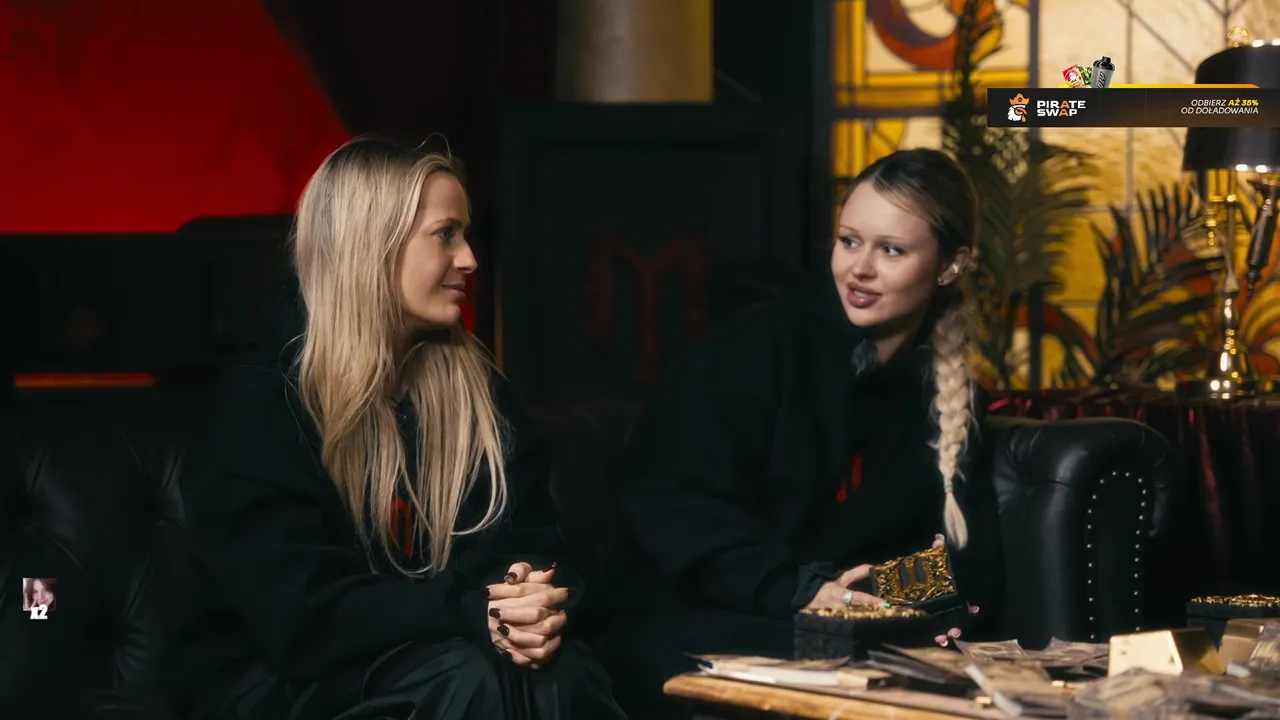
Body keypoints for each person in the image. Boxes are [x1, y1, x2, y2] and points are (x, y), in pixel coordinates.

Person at [169, 137, 625, 720]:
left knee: (556, 670)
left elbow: (536, 545)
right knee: (467, 676)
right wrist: (476, 609)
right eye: (445, 234)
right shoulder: (260, 403)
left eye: (466, 234)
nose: (470, 260)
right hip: (276, 684)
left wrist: (529, 599)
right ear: (373, 247)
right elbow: (302, 618)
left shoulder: (478, 392)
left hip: (436, 656)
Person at [591, 148, 1004, 718]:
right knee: (858, 669)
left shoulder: (950, 399)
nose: (860, 269)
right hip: (690, 613)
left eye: (891, 250)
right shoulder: (758, 346)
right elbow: (665, 498)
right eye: (849, 241)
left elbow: (969, 563)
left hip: (832, 627)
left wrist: (876, 587)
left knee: (918, 670)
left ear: (950, 265)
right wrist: (798, 587)